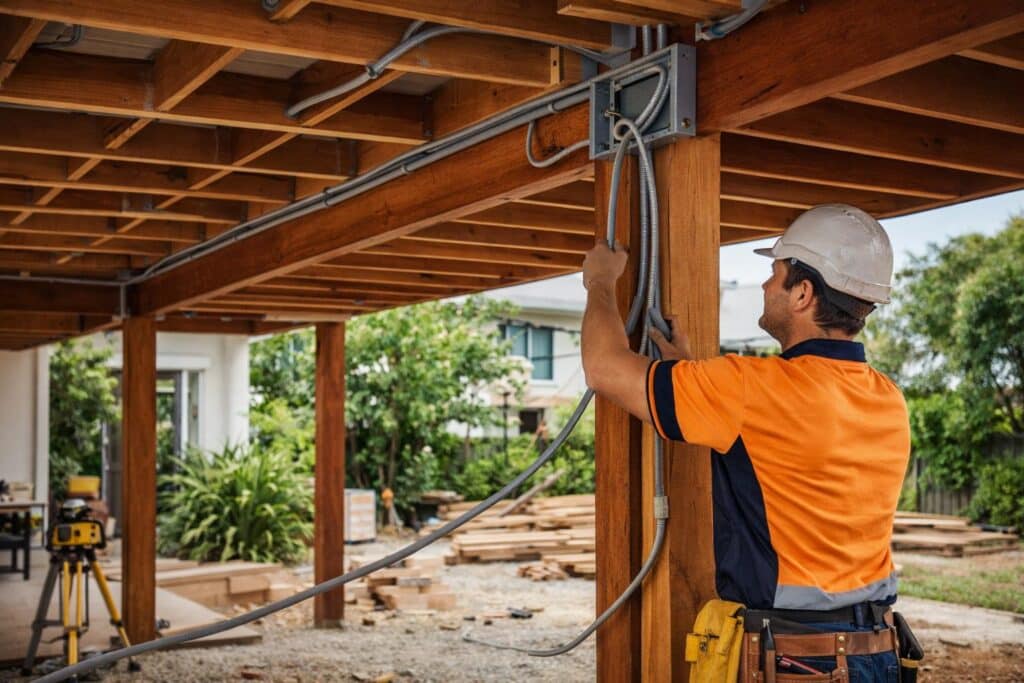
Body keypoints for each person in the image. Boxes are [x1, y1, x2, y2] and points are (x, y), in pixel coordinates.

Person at [580, 204, 913, 681]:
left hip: (797, 661)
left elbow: (603, 367)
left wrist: (600, 283)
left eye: (774, 274)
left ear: (803, 293)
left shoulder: (747, 388)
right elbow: (789, 454)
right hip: (876, 654)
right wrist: (691, 376)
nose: (763, 285)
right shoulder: (886, 397)